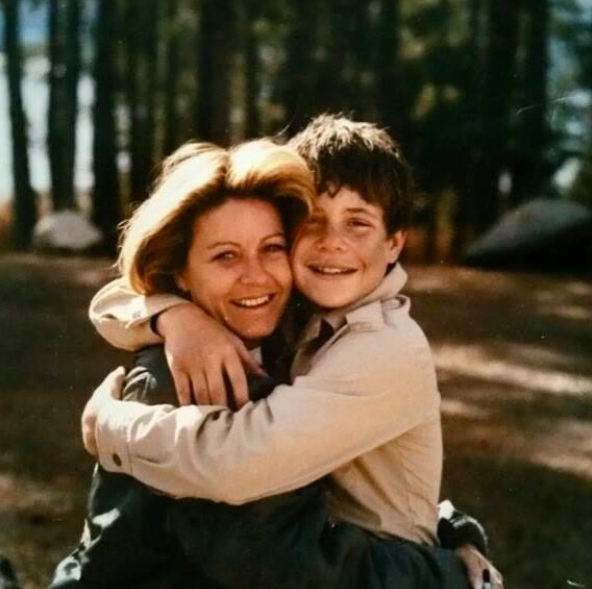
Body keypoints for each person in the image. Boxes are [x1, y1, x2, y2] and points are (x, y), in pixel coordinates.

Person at [83, 116, 502, 587]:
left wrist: (110, 427)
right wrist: (176, 316)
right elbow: (115, 296)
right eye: (313, 222)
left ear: (394, 243)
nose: (332, 242)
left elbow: (237, 463)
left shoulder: (387, 347)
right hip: (314, 551)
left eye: (358, 223)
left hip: (376, 568)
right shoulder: (301, 310)